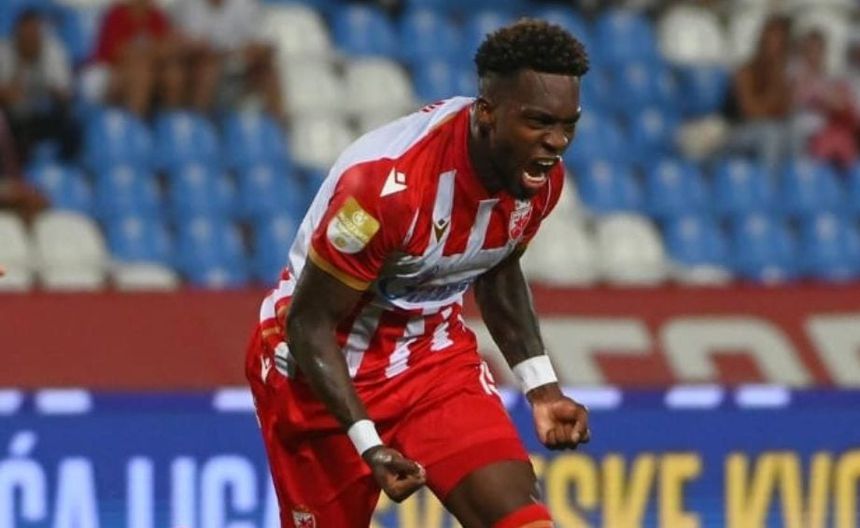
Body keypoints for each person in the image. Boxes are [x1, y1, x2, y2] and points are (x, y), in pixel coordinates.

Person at [245, 19, 591, 527]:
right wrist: (368, 441)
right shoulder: (386, 188)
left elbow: (497, 267)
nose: (556, 142)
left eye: (567, 125)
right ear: (487, 112)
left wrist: (542, 388)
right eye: (539, 122)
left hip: (429, 359)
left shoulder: (537, 177)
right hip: (317, 373)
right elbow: (308, 323)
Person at [172, 0, 285, 120]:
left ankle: (279, 123)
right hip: (200, 68)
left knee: (266, 71)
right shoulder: (187, 5)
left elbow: (265, 45)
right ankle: (199, 124)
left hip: (239, 67)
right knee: (206, 68)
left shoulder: (246, 5)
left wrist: (244, 53)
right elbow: (180, 44)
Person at [0, 8, 78, 161]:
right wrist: (20, 67)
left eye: (34, 33)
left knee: (71, 125)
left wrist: (53, 91)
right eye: (26, 34)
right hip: (14, 118)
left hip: (46, 114)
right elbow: (7, 93)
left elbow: (65, 93)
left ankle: (67, 166)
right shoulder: (4, 52)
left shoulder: (52, 50)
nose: (30, 38)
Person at [91, 0, 189, 116]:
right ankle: (135, 120)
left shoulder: (157, 16)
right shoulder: (116, 14)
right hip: (112, 69)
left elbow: (166, 49)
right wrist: (150, 51)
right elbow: (117, 52)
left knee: (173, 74)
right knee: (141, 74)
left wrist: (149, 52)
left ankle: (172, 120)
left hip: (150, 67)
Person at [722, 15, 793, 171]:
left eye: (780, 43)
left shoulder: (782, 76)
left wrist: (777, 80)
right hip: (737, 133)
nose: (774, 47)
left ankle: (797, 182)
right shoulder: (745, 71)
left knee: (794, 131)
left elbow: (787, 110)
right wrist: (773, 101)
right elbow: (750, 111)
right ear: (762, 42)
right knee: (770, 134)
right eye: (771, 41)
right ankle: (767, 184)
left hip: (772, 129)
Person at [791, 29, 859, 167]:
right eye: (810, 50)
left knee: (842, 140)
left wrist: (825, 99)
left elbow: (840, 104)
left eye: (818, 50)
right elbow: (799, 96)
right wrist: (824, 98)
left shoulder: (830, 77)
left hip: (825, 131)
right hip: (802, 131)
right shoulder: (795, 74)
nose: (814, 55)